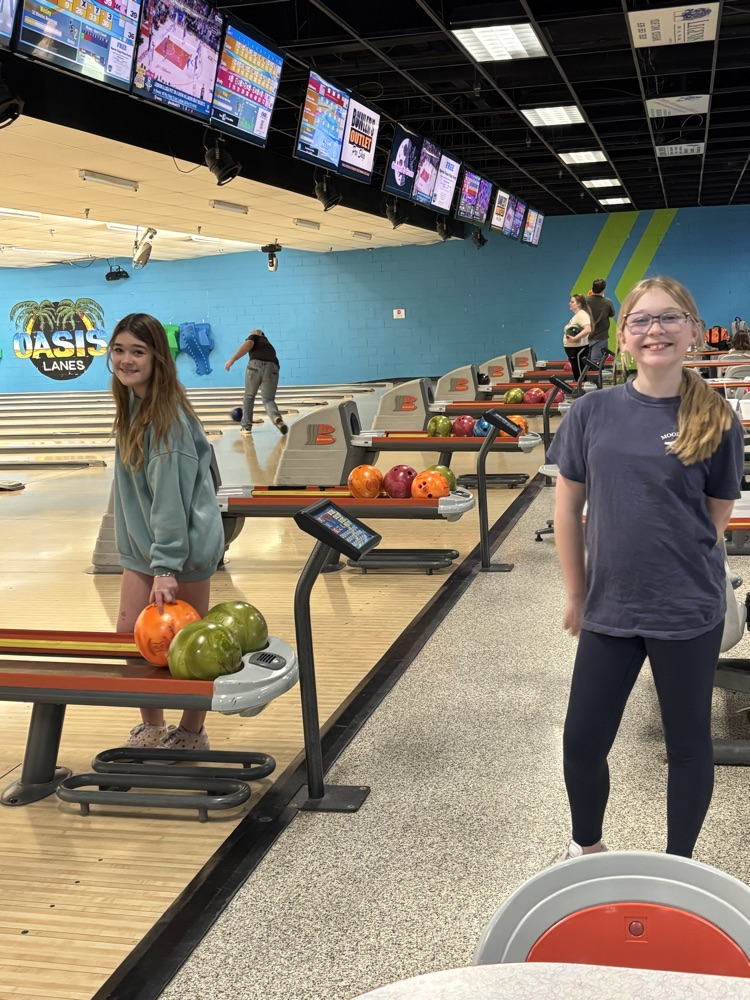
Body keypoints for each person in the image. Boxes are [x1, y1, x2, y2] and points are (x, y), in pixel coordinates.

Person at [547, 276, 744, 862]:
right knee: (582, 743)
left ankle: (678, 865)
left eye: (669, 318)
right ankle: (591, 852)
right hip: (611, 607)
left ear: (691, 330)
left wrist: (670, 564)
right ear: (623, 337)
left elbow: (713, 521)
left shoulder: (716, 418)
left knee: (687, 746)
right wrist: (576, 595)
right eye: (641, 321)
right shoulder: (592, 412)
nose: (654, 329)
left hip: (688, 608)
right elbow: (567, 508)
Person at [109, 313, 225, 751]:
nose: (126, 360)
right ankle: (153, 725)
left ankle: (193, 731)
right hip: (147, 551)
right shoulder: (135, 406)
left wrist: (166, 567)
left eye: (137, 352)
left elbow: (170, 503)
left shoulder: (167, 420)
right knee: (131, 636)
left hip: (182, 552)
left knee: (191, 649)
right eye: (119, 350)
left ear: (158, 358)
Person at [225, 329, 288, 437]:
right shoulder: (269, 345)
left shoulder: (254, 337)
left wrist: (232, 359)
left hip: (256, 366)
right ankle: (276, 418)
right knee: (268, 400)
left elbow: (249, 344)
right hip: (273, 368)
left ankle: (246, 427)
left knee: (249, 396)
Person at [563, 294, 593, 381]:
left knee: (580, 375)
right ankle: (580, 392)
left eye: (572, 302)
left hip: (578, 349)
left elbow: (587, 329)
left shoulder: (582, 315)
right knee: (577, 373)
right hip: (573, 349)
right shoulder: (577, 316)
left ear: (579, 304)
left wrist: (574, 339)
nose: (569, 304)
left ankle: (582, 393)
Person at [586, 278, 616, 366]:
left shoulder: (585, 300)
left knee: (585, 362)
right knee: (596, 363)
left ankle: (584, 379)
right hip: (601, 336)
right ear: (603, 290)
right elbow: (612, 314)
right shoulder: (607, 302)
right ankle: (596, 380)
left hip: (585, 335)